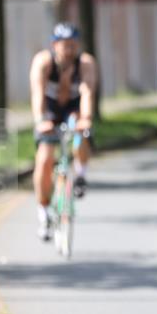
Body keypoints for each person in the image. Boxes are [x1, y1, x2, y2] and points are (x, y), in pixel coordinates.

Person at [29, 23, 97, 241]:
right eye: (64, 45)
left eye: (73, 45)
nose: (69, 50)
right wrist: (41, 120)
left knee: (81, 134)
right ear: (54, 45)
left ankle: (81, 175)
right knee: (44, 159)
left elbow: (87, 92)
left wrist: (86, 118)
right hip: (49, 111)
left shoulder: (85, 63)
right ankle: (43, 211)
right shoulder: (43, 62)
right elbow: (37, 93)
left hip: (73, 110)